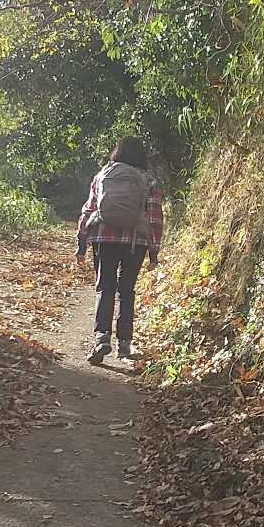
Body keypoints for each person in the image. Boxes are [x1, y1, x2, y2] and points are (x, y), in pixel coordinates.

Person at [76, 138, 165, 364]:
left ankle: (101, 338)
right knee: (126, 290)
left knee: (104, 286)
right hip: (136, 241)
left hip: (104, 237)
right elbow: (155, 217)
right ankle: (124, 344)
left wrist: (81, 241)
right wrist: (154, 251)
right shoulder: (148, 180)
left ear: (116, 152)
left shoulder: (103, 175)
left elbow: (89, 208)